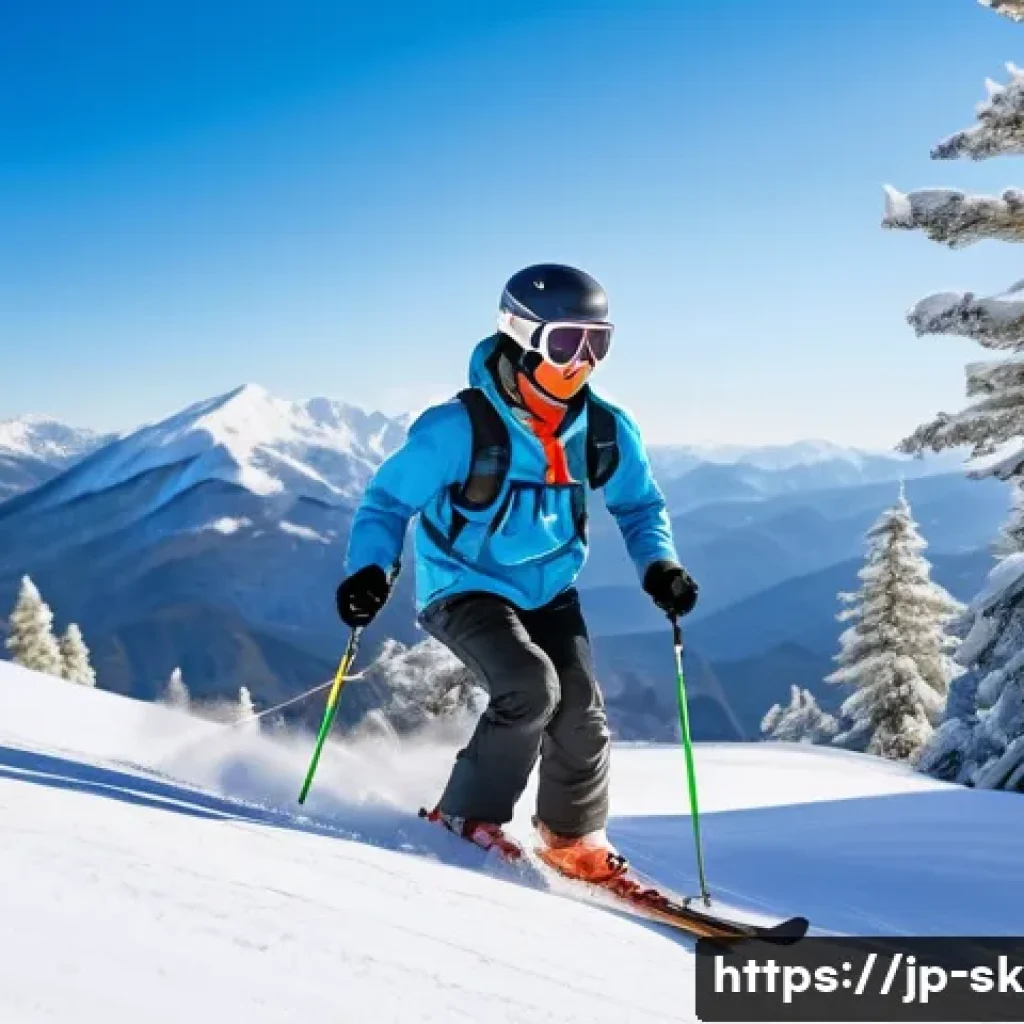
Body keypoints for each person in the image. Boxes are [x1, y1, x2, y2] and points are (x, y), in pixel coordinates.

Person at [335, 263, 698, 882]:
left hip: (551, 588)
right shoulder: (457, 428)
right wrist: (369, 569)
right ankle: (463, 816)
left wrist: (660, 564)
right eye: (565, 341)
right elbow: (387, 503)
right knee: (530, 688)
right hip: (464, 585)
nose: (580, 361)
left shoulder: (605, 429)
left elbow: (639, 504)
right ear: (521, 334)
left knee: (581, 712)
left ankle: (570, 837)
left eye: (597, 342)